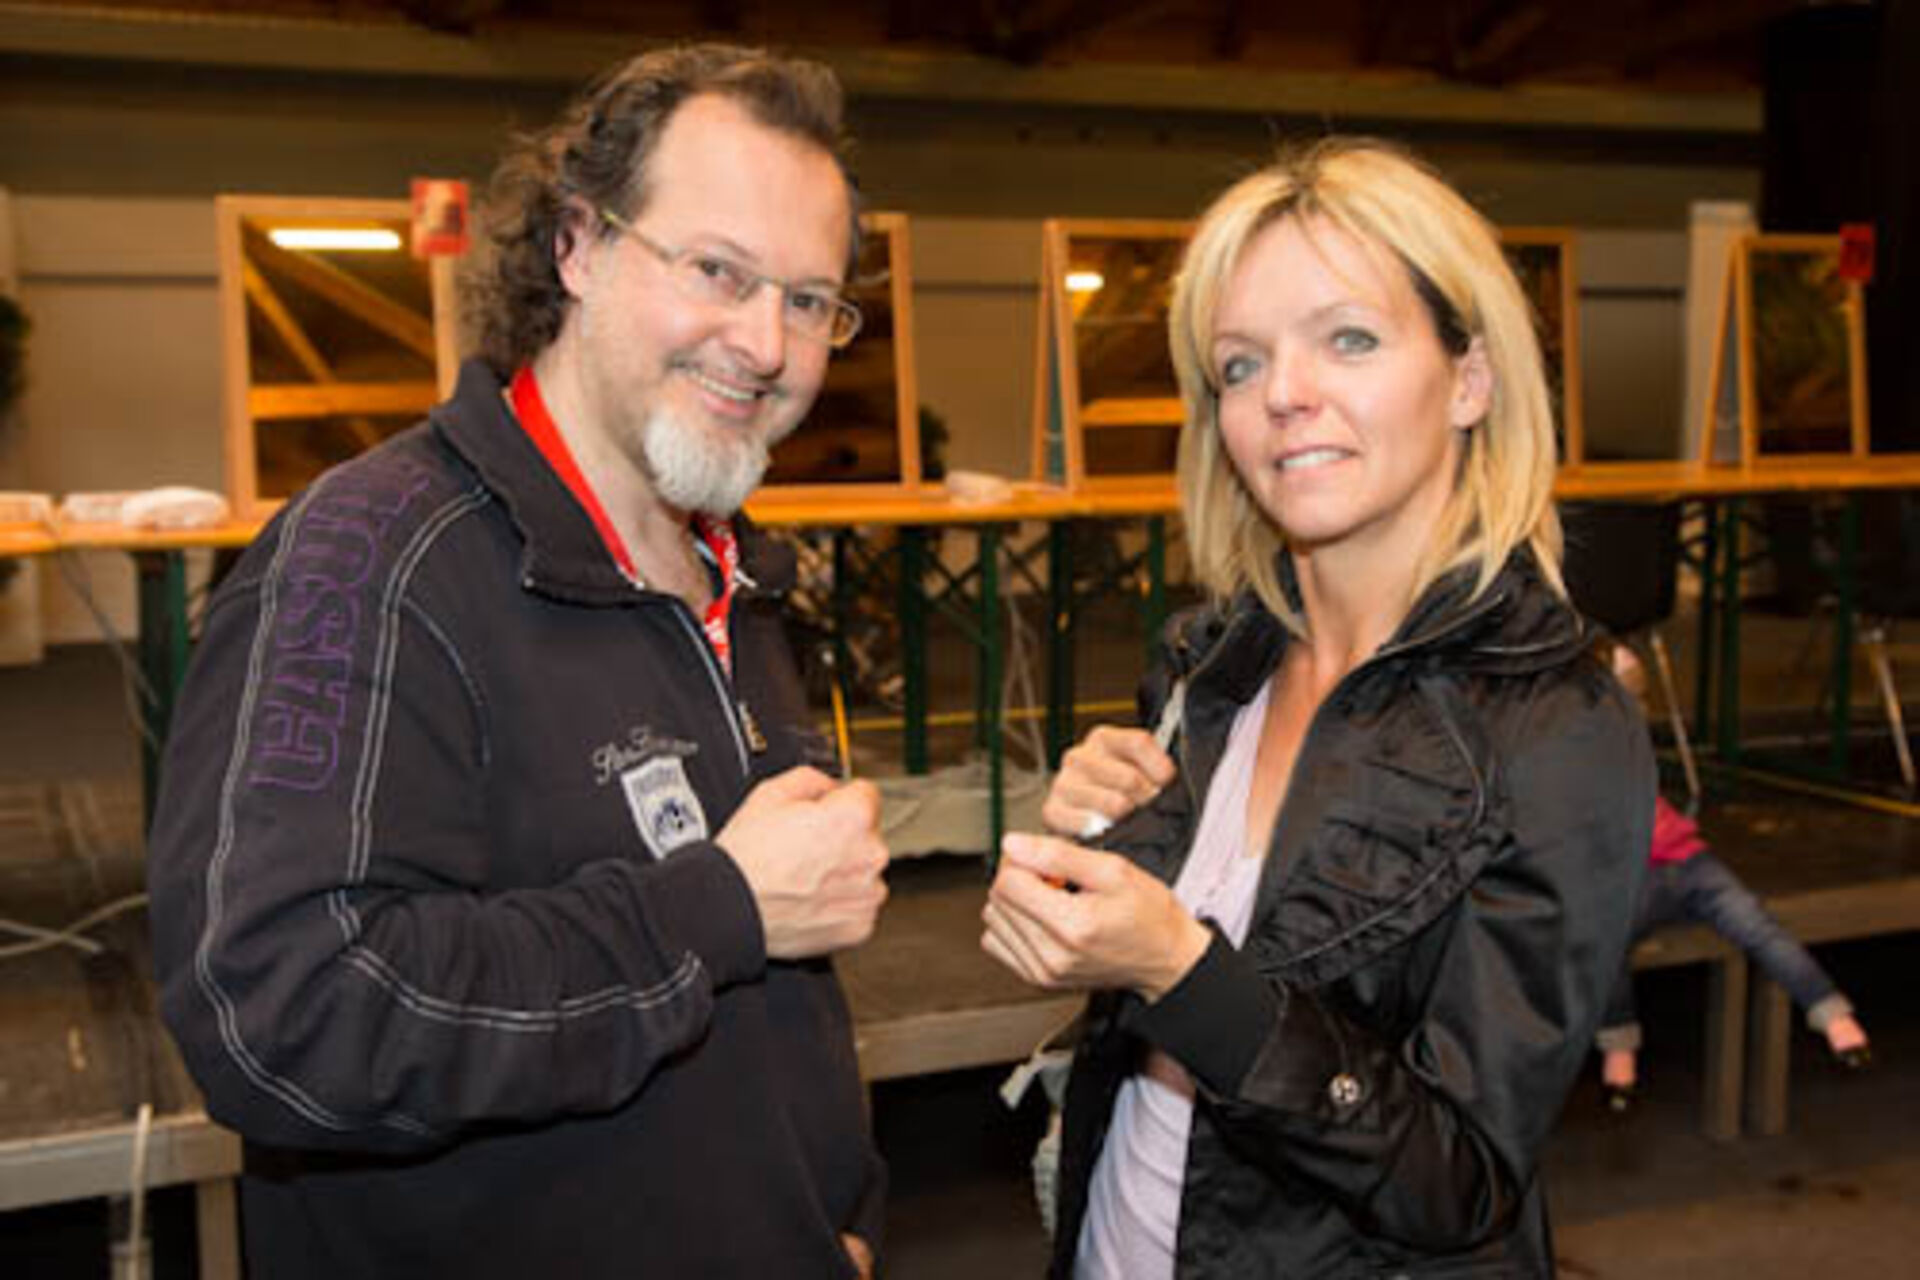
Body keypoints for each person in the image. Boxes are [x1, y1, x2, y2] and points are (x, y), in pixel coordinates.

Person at [148, 44, 889, 1279]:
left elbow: (760, 1012)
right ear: (579, 245)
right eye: (718, 270)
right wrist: (717, 905)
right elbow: (282, 1013)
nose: (767, 343)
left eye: (809, 300)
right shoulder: (369, 563)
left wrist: (835, 1220)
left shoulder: (733, 571)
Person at [981, 138, 1655, 1278]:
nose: (1285, 394)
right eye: (1241, 365)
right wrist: (1097, 857)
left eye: (1348, 339)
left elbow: (1460, 1180)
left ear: (1471, 379)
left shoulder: (1555, 722)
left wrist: (1180, 971)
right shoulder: (1208, 665)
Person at [1594, 642, 1870, 1112]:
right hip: (1634, 879)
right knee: (1605, 942)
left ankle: (1830, 1011)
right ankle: (1619, 1047)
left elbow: (1627, 678)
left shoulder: (1625, 732)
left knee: (1756, 923)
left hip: (1688, 863)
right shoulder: (1575, 750)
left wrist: (1613, 665)